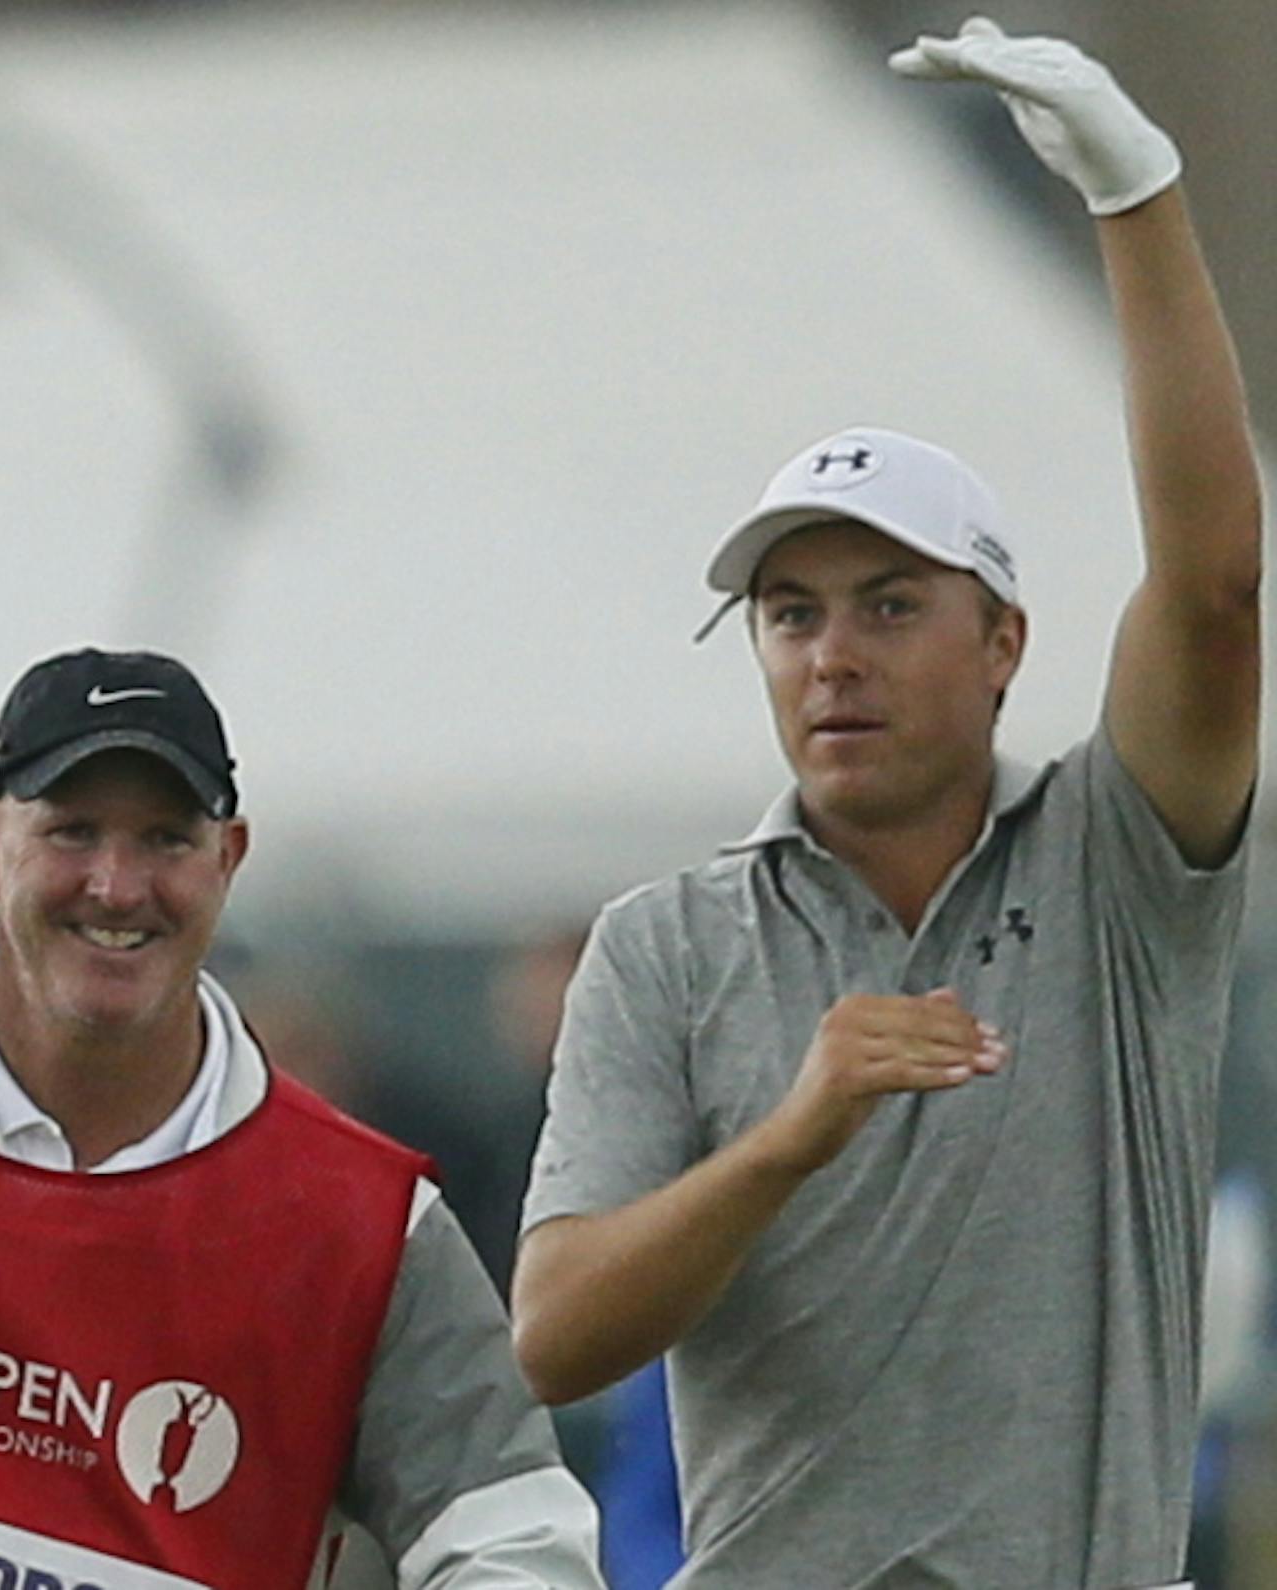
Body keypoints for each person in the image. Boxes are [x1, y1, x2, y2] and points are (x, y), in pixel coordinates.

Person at [513, 19, 1260, 1589]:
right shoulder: (668, 943)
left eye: (888, 604)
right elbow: (557, 1332)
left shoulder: (1117, 863)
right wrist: (792, 1134)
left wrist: (1139, 200)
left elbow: (1212, 586)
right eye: (791, 613)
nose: (832, 656)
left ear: (1004, 643)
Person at [0, 647, 605, 1588]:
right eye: (72, 831)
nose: (116, 884)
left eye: (166, 839)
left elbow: (512, 1541)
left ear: (227, 860)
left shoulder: (362, 1223)